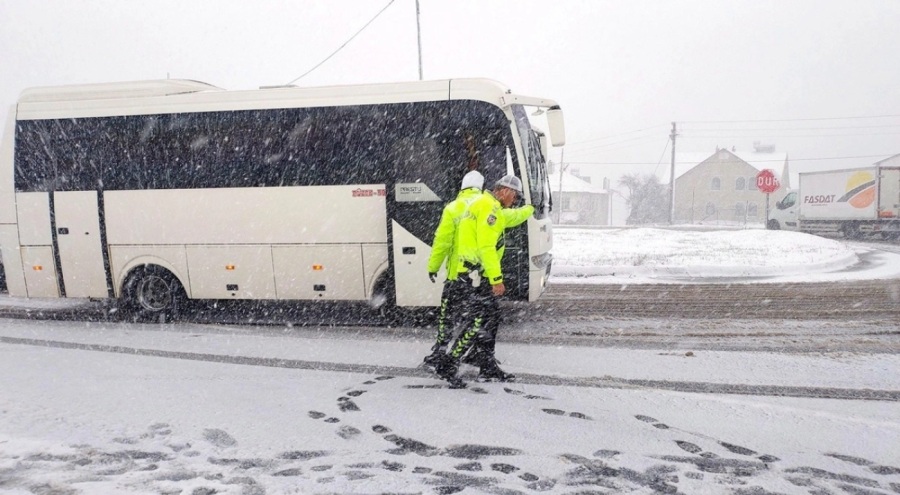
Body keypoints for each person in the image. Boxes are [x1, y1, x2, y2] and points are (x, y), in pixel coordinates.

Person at [435, 174, 534, 386]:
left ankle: (485, 364)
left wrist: (530, 209)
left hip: (471, 274)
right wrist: (496, 279)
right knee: (478, 321)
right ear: (505, 191)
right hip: (475, 276)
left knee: (491, 317)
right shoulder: (489, 209)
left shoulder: (485, 204)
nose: (514, 201)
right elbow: (487, 247)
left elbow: (511, 217)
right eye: (515, 196)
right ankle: (449, 364)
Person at [421, 170, 485, 375]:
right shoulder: (485, 206)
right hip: (477, 275)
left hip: (456, 276)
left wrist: (433, 267)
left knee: (447, 315)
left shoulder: (453, 208)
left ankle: (440, 352)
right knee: (475, 318)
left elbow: (442, 242)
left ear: (463, 186)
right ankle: (469, 352)